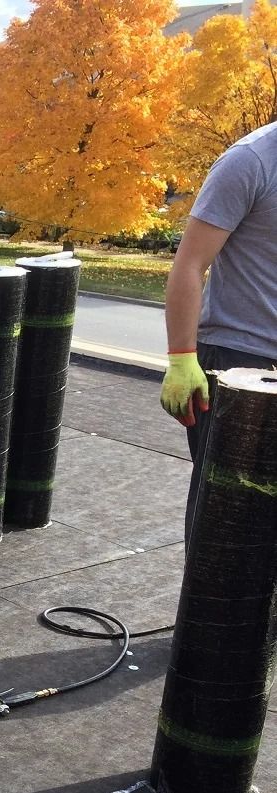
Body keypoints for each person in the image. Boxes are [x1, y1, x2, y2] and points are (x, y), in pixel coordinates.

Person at [161, 121, 277, 541]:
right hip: (238, 365)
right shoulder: (252, 161)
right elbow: (189, 265)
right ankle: (207, 610)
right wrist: (181, 358)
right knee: (226, 526)